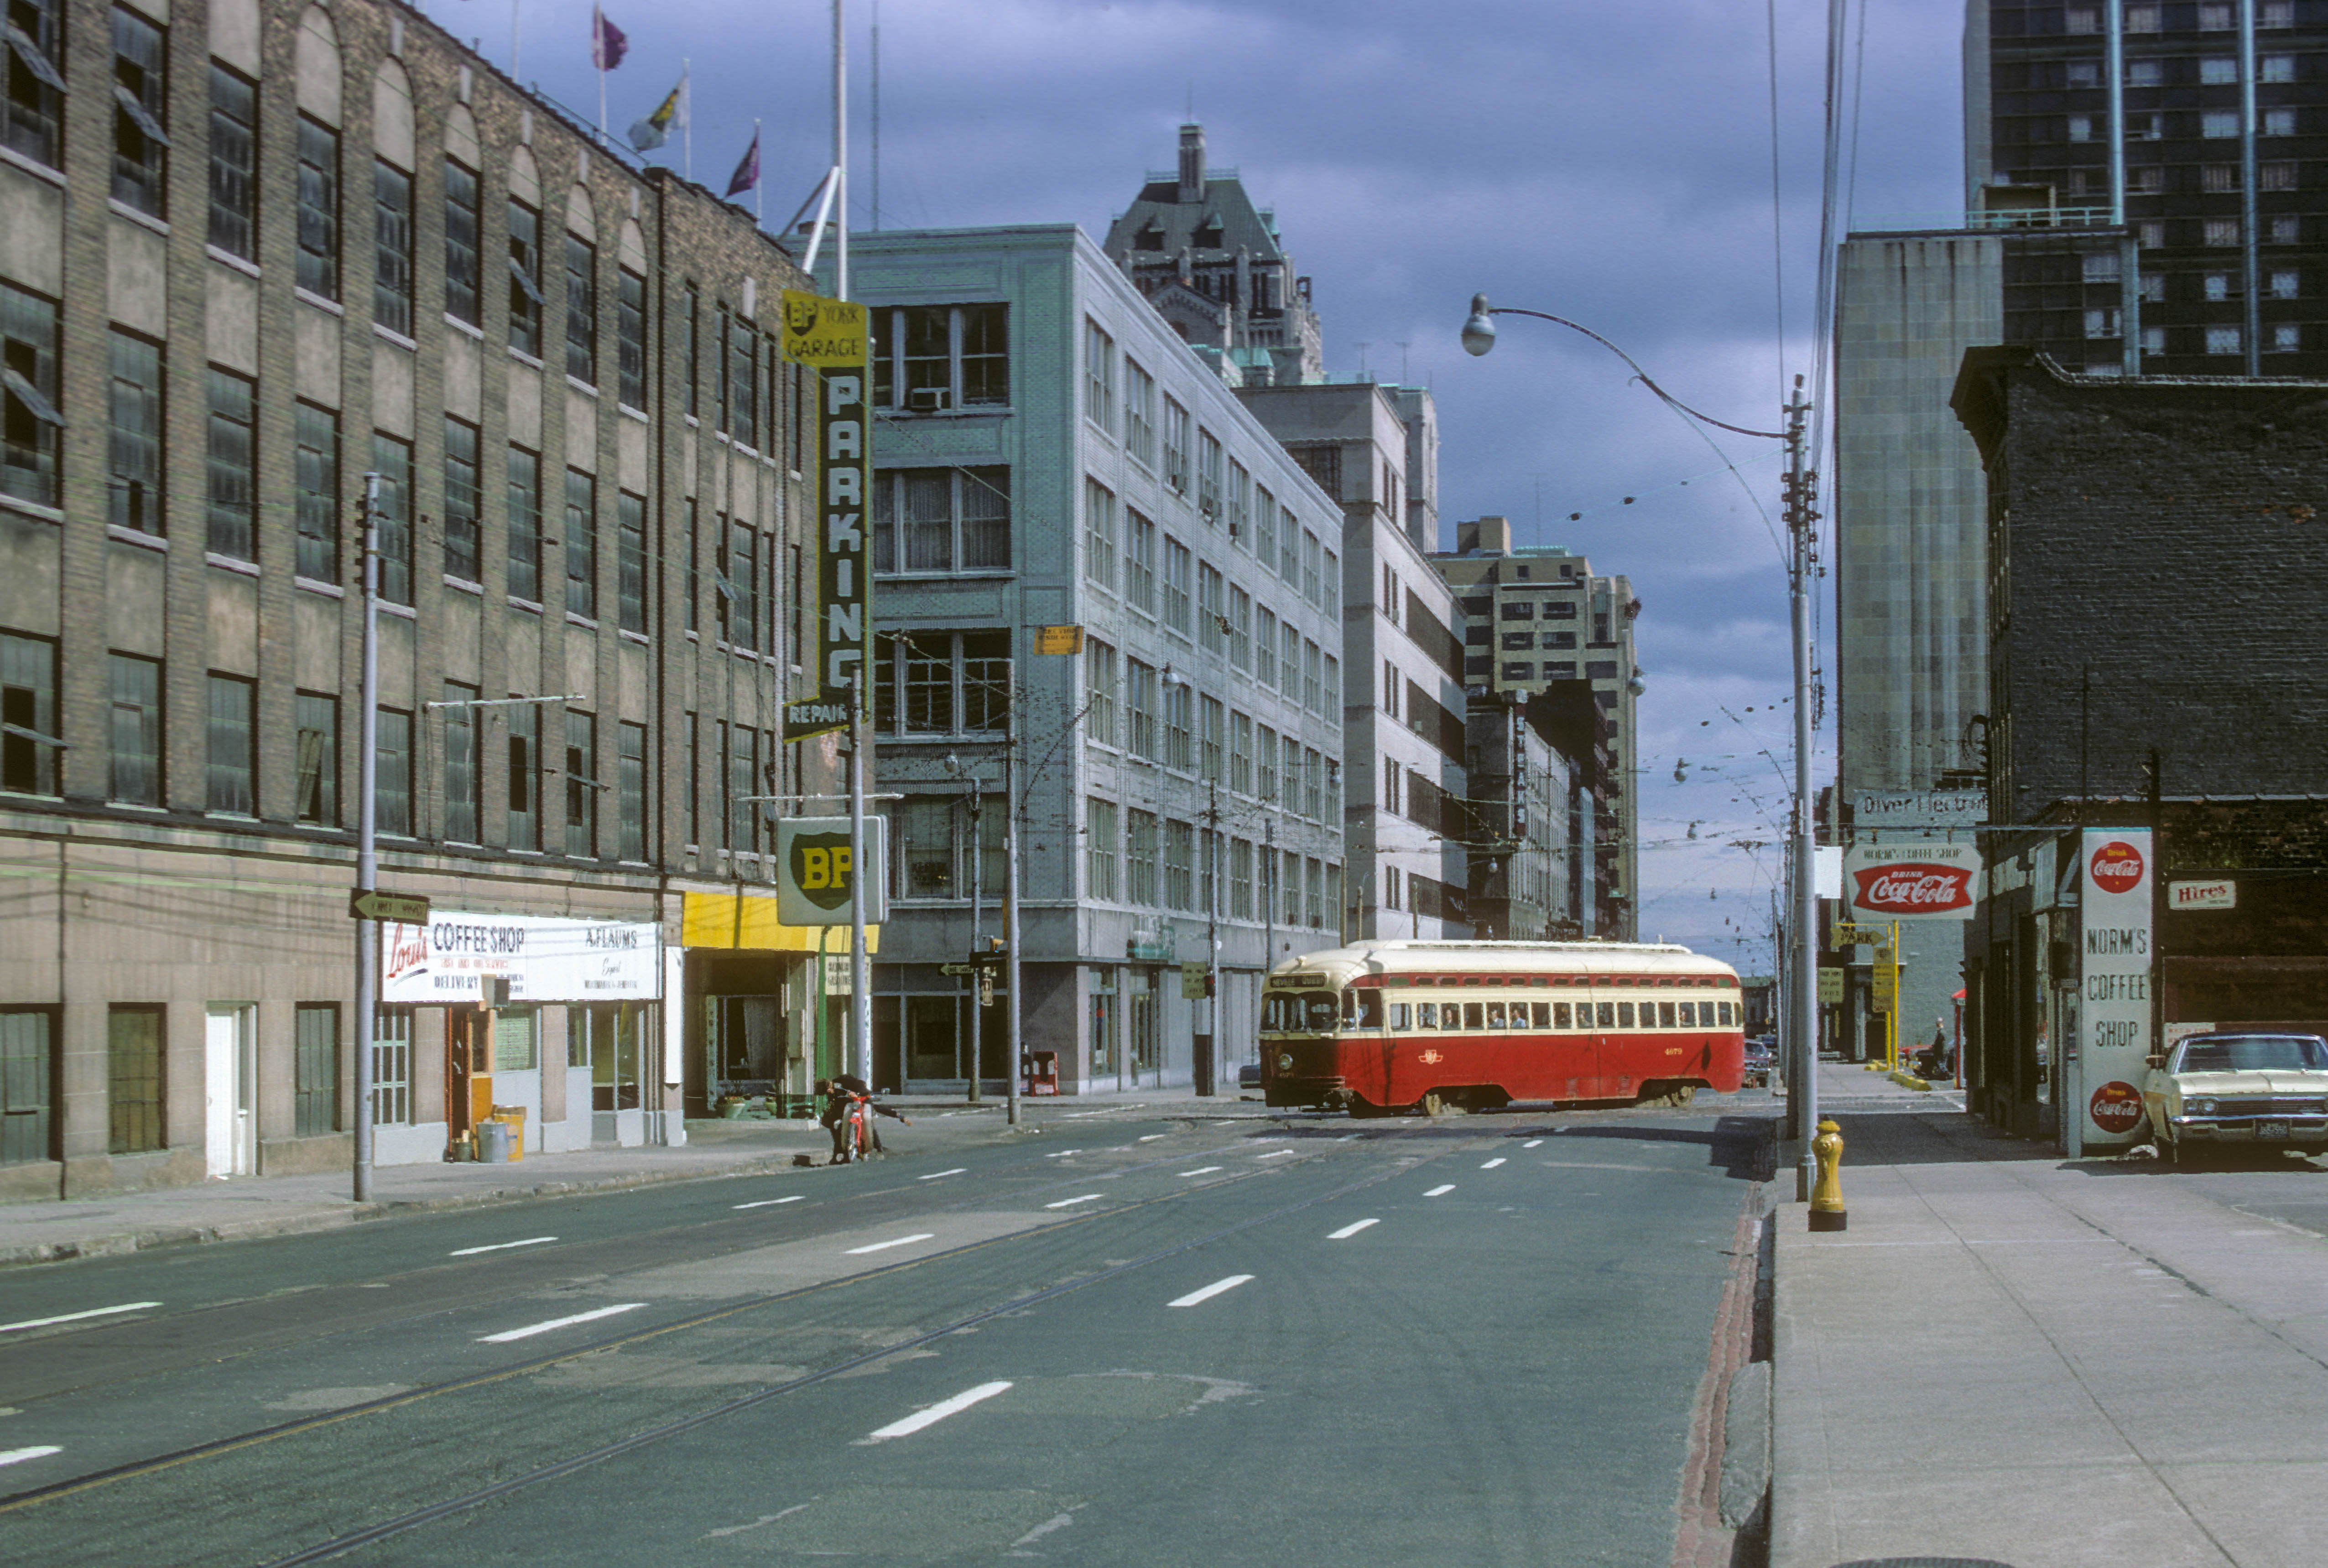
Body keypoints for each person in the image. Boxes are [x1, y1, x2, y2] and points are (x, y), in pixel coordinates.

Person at [818, 1073, 909, 1163]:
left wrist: (859, 1093)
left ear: (829, 1086)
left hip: (863, 1099)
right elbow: (836, 1107)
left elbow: (861, 1086)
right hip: (850, 1105)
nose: (829, 1092)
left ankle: (879, 1149)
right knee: (838, 1127)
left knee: (866, 1120)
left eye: (829, 1089)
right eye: (827, 1092)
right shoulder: (832, 1094)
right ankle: (841, 1152)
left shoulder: (845, 1080)